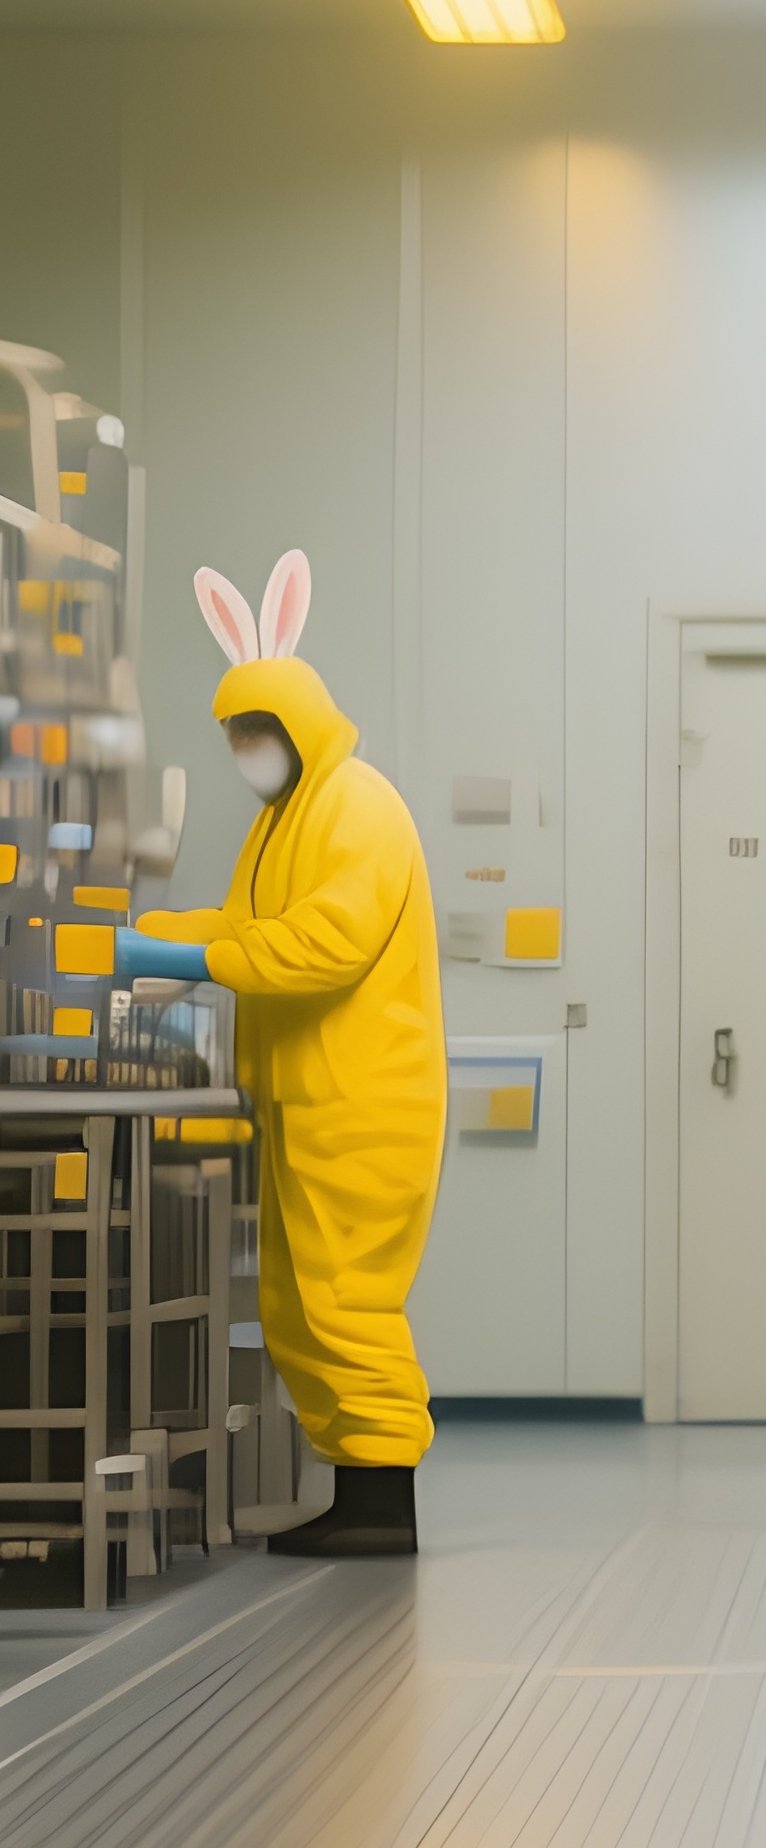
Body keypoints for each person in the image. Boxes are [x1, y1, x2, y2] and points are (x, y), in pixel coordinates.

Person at [115, 549, 446, 1557]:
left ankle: (384, 1499)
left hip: (362, 1099)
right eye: (236, 734)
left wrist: (193, 954)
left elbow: (323, 943)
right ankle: (359, 1487)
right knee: (301, 1301)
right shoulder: (284, 819)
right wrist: (153, 932)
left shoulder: (358, 806)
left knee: (347, 1295)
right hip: (304, 1099)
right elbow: (254, 917)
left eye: (259, 731)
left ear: (301, 724)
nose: (247, 748)